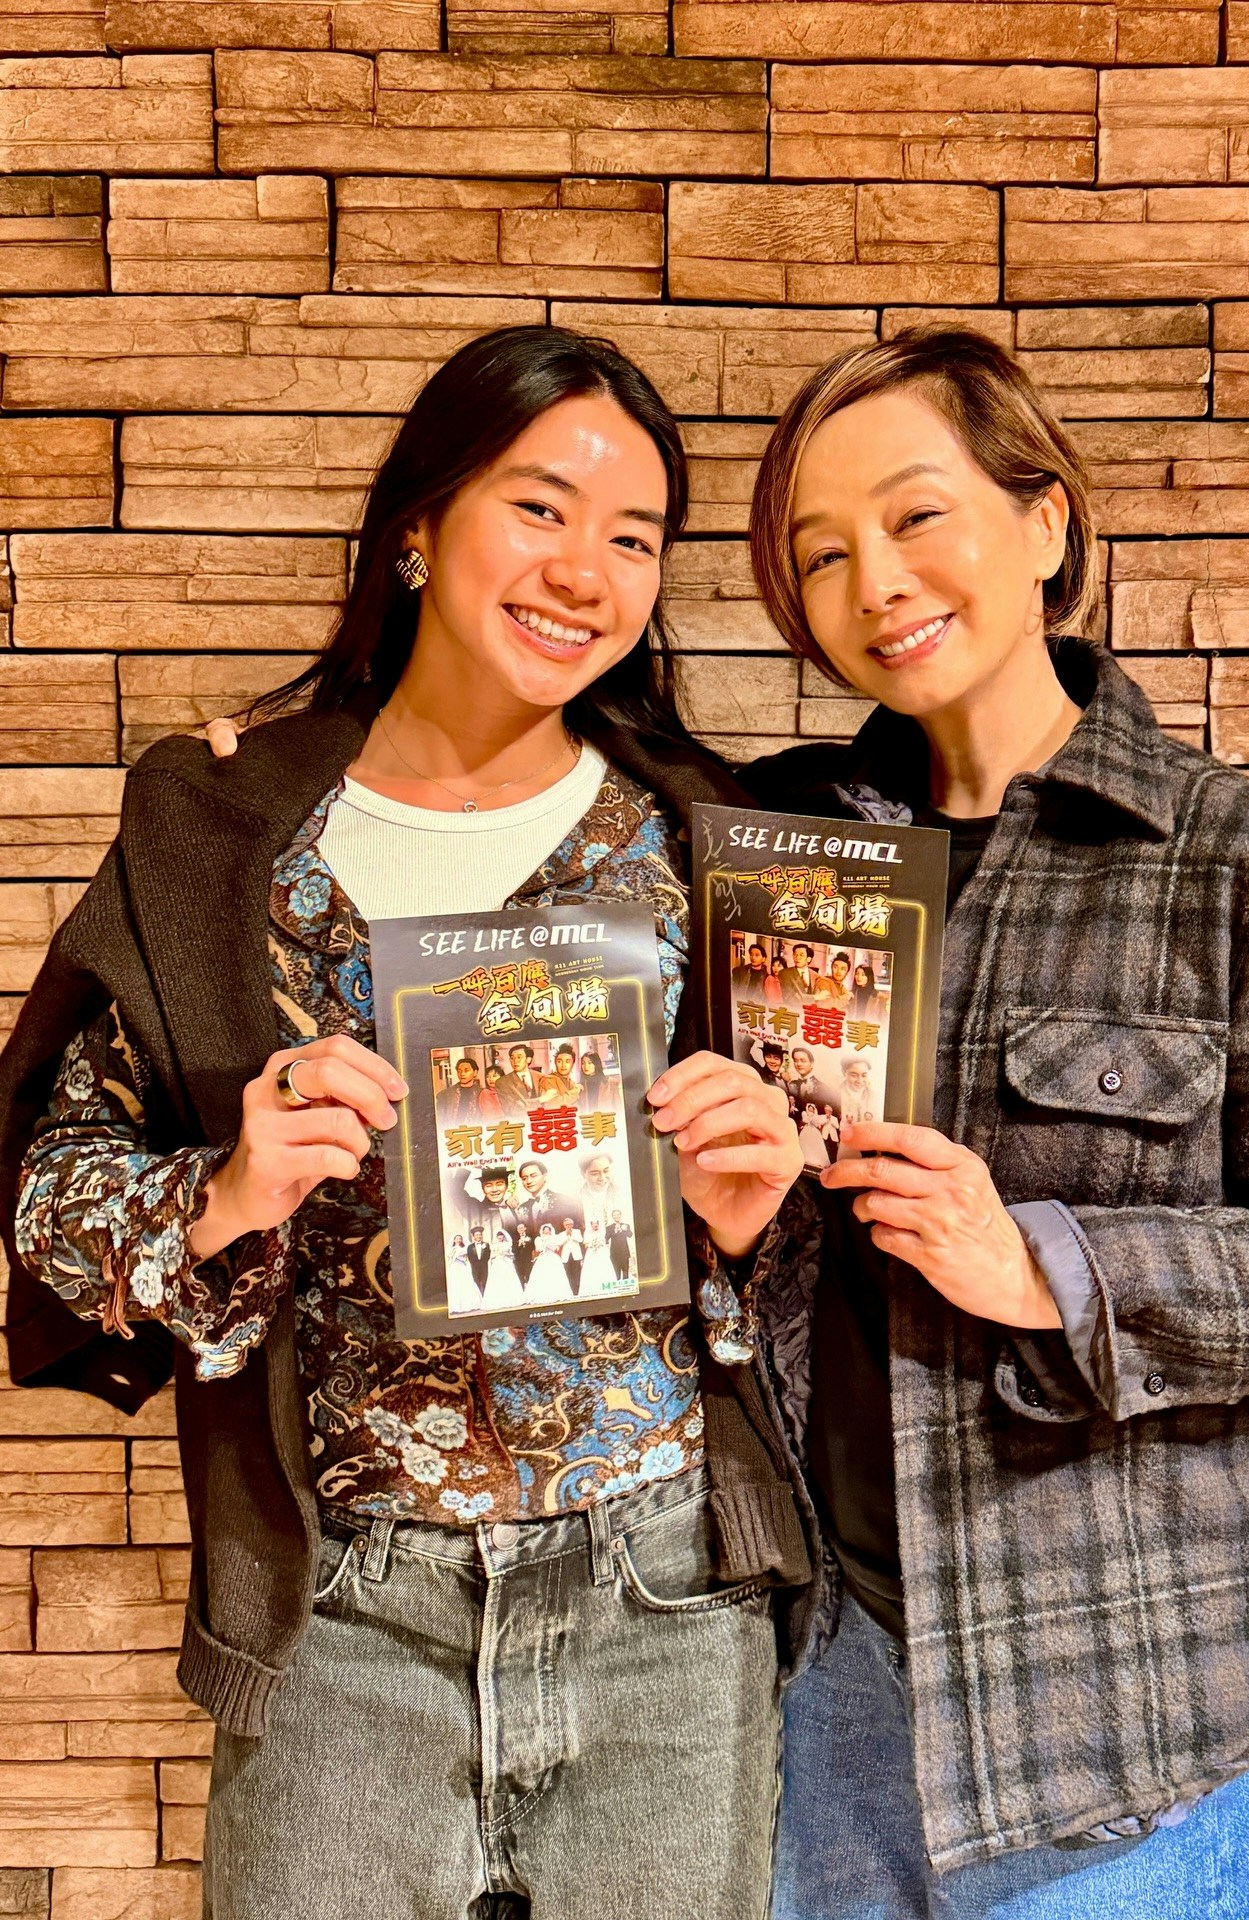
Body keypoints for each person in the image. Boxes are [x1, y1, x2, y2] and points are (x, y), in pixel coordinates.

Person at [1, 326, 806, 1920]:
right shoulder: (222, 825)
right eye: (541, 507)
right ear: (419, 523)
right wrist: (224, 1188)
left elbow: (824, 1249)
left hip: (664, 1600)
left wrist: (747, 1221)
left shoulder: (702, 834)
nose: (584, 571)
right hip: (337, 1605)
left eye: (634, 537)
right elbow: (46, 1193)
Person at [739, 329, 1249, 1917]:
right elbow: (530, 762)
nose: (876, 583)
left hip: (1109, 1714)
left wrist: (1053, 1268)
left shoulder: (1237, 866)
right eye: (822, 554)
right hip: (822, 1682)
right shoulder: (775, 840)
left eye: (917, 516)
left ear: (1045, 519)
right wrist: (278, 750)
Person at [436, 1052, 487, 1125]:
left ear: (475, 1072)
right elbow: (440, 1120)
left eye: (466, 1070)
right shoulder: (444, 1095)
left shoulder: (483, 1094)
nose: (462, 1074)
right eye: (459, 1071)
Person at [497, 1040, 545, 1115]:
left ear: (528, 1059)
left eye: (519, 1057)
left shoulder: (541, 1077)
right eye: (512, 1058)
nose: (515, 1061)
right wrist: (540, 1100)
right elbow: (511, 1109)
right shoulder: (503, 1082)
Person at [777, 942, 819, 1008]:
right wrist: (815, 997)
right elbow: (789, 998)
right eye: (795, 954)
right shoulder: (785, 973)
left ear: (809, 959)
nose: (797, 957)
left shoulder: (815, 975)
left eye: (801, 955)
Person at [540, 1041, 581, 1106]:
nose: (563, 1065)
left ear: (573, 1064)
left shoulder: (572, 1083)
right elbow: (553, 1104)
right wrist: (575, 1092)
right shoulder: (548, 1080)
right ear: (555, 1063)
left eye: (567, 1062)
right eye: (559, 1061)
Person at [577, 1046, 616, 1113]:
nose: (586, 1066)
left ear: (596, 1064)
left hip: (606, 1118)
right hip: (587, 1118)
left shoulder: (610, 1083)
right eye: (583, 1063)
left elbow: (619, 1108)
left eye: (589, 1063)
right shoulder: (579, 1087)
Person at [607, 1210, 633, 1282]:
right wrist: (615, 1231)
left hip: (624, 1251)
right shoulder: (609, 1227)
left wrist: (624, 1230)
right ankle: (618, 1285)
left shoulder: (626, 1225)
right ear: (612, 1217)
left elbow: (630, 1235)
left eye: (618, 1214)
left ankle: (626, 1285)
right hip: (614, 1252)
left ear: (620, 1215)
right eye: (614, 1215)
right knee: (616, 1272)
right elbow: (606, 1238)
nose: (616, 1216)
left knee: (625, 1270)